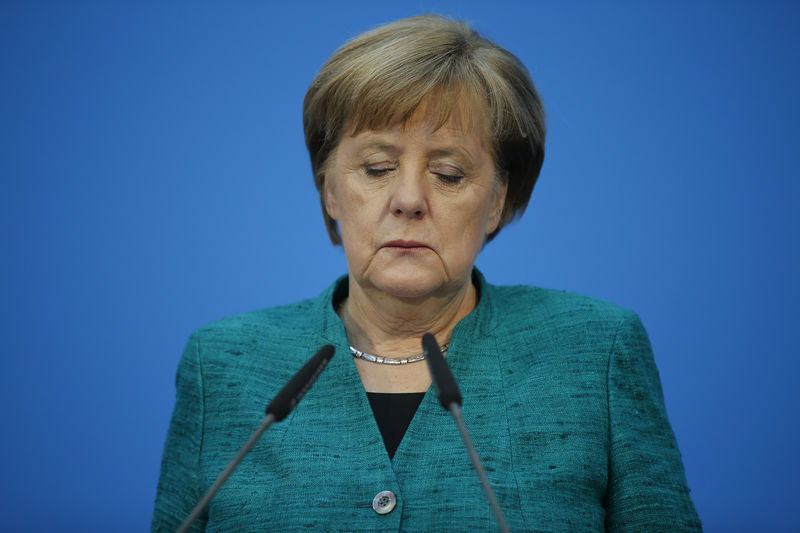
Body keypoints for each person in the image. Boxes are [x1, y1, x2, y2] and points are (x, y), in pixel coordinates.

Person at [152, 14, 701, 532]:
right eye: (377, 167)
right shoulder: (221, 364)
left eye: (448, 173)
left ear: (497, 202)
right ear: (330, 190)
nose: (409, 199)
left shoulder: (595, 350)